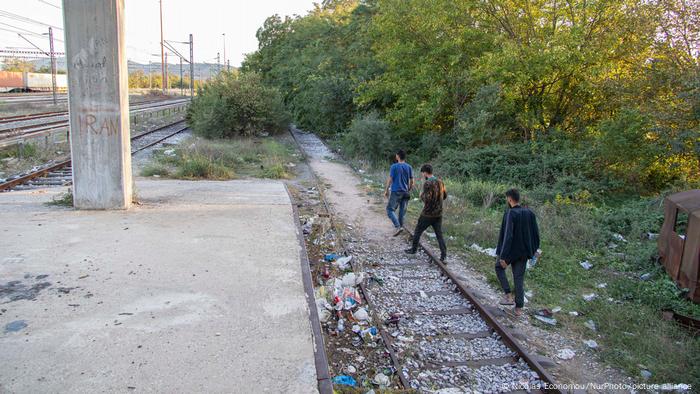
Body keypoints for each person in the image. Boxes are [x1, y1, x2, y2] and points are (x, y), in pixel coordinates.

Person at [495, 188, 540, 316]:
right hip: (524, 252)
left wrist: (503, 256)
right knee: (519, 278)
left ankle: (508, 296)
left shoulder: (510, 213)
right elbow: (536, 234)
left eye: (506, 198)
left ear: (509, 199)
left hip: (511, 252)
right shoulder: (530, 213)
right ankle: (518, 308)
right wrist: (534, 250)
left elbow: (508, 236)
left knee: (498, 267)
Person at [404, 164, 448, 262]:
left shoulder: (427, 183)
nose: (422, 175)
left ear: (425, 173)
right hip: (439, 213)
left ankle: (413, 250)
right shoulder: (440, 181)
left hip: (428, 214)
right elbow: (444, 196)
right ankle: (443, 255)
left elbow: (427, 199)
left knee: (418, 230)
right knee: (439, 234)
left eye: (422, 173)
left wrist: (421, 195)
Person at [384, 149, 414, 236]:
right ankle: (400, 227)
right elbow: (412, 181)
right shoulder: (409, 167)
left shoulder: (394, 166)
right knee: (401, 211)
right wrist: (409, 189)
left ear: (397, 156)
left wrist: (386, 190)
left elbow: (390, 179)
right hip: (405, 192)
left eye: (396, 155)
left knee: (389, 210)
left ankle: (398, 227)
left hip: (396, 191)